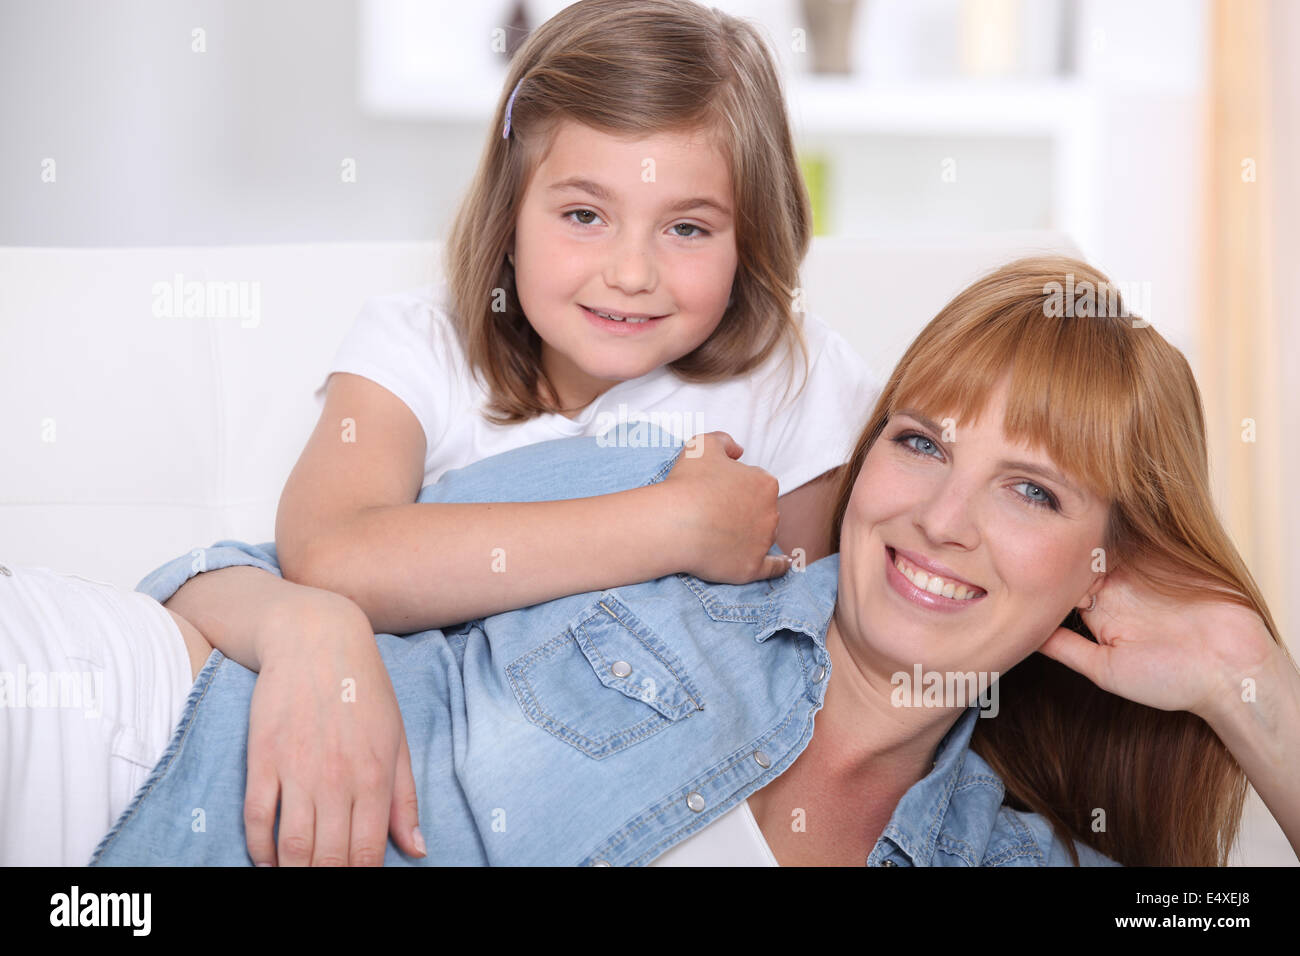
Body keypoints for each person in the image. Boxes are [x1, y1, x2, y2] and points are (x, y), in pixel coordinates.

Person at [72, 256, 1298, 867]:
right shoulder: (688, 516)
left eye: (1030, 488)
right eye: (921, 442)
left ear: (1100, 563)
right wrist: (309, 626)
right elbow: (225, 570)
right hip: (114, 742)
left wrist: (1247, 678)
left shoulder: (1004, 849)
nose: (941, 517)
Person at [235, 0, 878, 863]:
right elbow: (330, 555)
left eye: (687, 228)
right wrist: (674, 525)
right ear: (510, 209)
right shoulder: (419, 345)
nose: (630, 272)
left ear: (750, 237)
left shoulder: (792, 380)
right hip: (409, 774)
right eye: (584, 215)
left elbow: (801, 665)